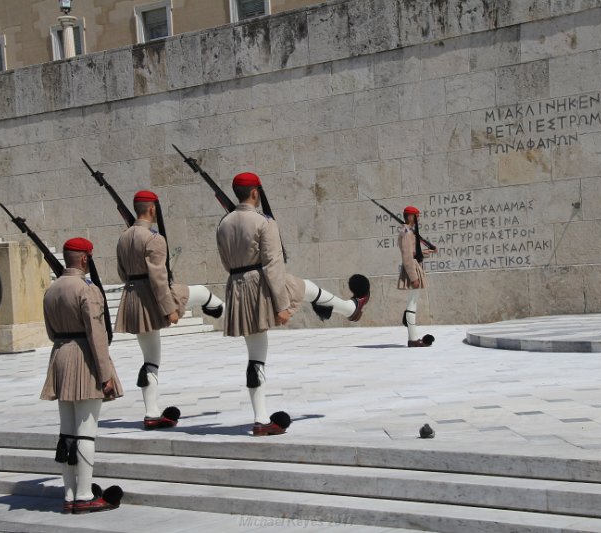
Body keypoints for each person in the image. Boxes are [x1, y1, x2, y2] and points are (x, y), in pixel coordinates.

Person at [216, 172, 370, 436]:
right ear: (255, 193)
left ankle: (260, 417)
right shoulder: (264, 222)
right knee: (306, 288)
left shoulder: (223, 223)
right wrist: (282, 305)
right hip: (262, 284)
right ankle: (351, 309)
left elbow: (225, 261)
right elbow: (274, 265)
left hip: (237, 286)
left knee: (255, 356)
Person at [115, 190, 224, 430]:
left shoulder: (123, 238)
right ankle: (218, 307)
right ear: (152, 209)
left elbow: (122, 273)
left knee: (150, 360)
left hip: (132, 296)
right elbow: (158, 278)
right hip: (151, 296)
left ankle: (151, 411)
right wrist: (169, 309)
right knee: (193, 292)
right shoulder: (154, 239)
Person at [40, 237, 124, 514]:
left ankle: (69, 494)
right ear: (85, 259)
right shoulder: (87, 290)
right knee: (86, 433)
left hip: (60, 355)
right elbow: (96, 335)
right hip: (85, 357)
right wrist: (105, 373)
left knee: (67, 432)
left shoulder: (51, 290)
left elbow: (51, 333)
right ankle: (85, 494)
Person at [398, 206, 434, 348]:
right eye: (417, 216)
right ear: (410, 217)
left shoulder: (410, 232)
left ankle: (412, 336)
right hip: (412, 268)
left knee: (412, 304)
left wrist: (426, 252)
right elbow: (407, 257)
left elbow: (413, 252)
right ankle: (413, 339)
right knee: (411, 305)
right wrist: (414, 277)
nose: (419, 218)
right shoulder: (406, 232)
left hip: (415, 265)